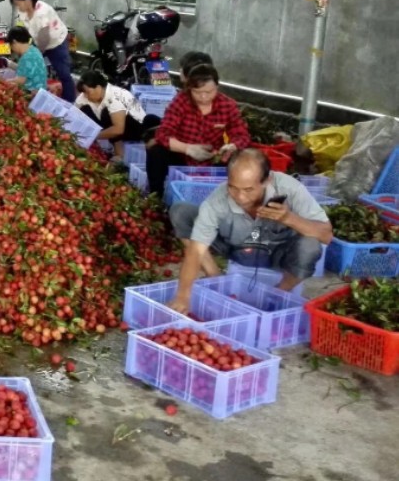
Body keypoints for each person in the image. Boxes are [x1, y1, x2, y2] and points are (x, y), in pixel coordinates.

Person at [167, 149, 332, 312]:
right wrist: (183, 295)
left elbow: (326, 235)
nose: (240, 197)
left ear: (267, 180)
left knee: (310, 245)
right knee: (181, 212)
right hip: (236, 248)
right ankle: (215, 278)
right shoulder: (217, 200)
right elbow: (196, 251)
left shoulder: (288, 188)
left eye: (248, 189)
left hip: (277, 254)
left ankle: (280, 292)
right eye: (233, 187)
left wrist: (289, 218)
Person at [147, 64, 250, 197]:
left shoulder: (227, 105)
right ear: (189, 89)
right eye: (197, 92)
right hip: (182, 158)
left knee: (240, 159)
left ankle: (227, 199)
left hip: (213, 160)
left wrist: (232, 146)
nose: (203, 97)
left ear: (217, 87)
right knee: (156, 152)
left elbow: (242, 135)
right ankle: (156, 197)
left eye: (208, 92)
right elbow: (163, 134)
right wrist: (188, 149)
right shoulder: (181, 101)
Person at [75, 71, 160, 160]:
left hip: (134, 128)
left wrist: (92, 136)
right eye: (84, 93)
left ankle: (119, 154)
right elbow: (74, 115)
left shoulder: (115, 95)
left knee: (106, 113)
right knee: (85, 109)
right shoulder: (84, 98)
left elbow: (118, 129)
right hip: (113, 126)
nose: (86, 96)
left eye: (88, 92)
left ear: (98, 87)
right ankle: (95, 150)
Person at [11, 0, 75, 102]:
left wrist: (35, 54)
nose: (17, 7)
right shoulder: (23, 13)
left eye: (18, 4)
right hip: (39, 42)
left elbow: (45, 38)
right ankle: (40, 88)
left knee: (64, 74)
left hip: (56, 43)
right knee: (34, 66)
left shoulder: (42, 12)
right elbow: (27, 33)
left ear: (27, 1)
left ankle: (69, 102)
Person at [3, 26, 48, 93]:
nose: (12, 49)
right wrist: (10, 64)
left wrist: (3, 82)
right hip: (42, 90)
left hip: (32, 93)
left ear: (14, 42)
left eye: (11, 46)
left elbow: (21, 81)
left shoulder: (26, 58)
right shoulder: (34, 50)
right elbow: (27, 70)